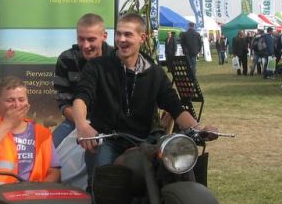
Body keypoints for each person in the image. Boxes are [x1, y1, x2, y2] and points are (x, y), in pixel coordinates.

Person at [72, 13, 217, 186]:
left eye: (128, 34)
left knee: (172, 175)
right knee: (102, 185)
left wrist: (199, 129)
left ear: (142, 38)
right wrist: (81, 125)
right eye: (118, 34)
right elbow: (82, 97)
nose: (121, 39)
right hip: (108, 140)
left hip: (144, 143)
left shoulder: (155, 73)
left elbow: (176, 108)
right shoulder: (98, 67)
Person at [0, 76, 60, 204]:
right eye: (10, 100)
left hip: (32, 203)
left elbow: (54, 172)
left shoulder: (42, 134)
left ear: (28, 103)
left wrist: (37, 193)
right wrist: (8, 123)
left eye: (21, 100)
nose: (17, 105)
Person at [52, 13, 113, 147]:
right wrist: (83, 126)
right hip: (76, 121)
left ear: (104, 36)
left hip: (111, 126)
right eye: (81, 39)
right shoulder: (66, 59)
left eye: (91, 39)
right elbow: (64, 103)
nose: (86, 45)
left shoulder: (116, 60)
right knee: (49, 150)